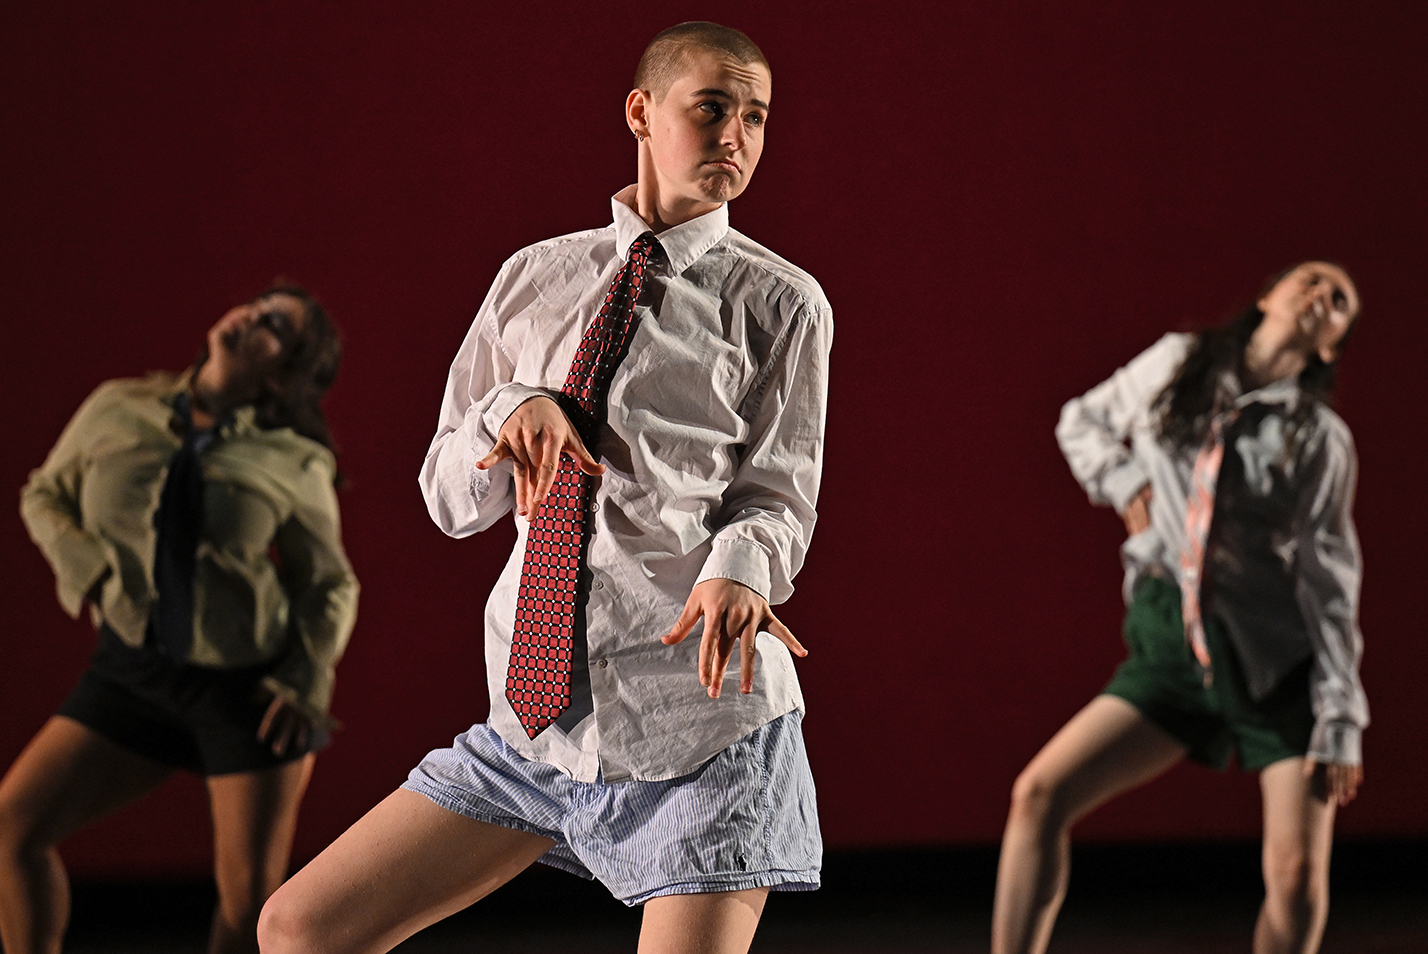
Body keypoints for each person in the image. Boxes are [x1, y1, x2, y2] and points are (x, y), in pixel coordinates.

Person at [258, 21, 830, 954]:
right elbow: (449, 499)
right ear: (642, 112)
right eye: (713, 108)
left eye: (757, 119)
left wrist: (744, 571)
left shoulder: (781, 301)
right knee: (300, 927)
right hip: (537, 727)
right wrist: (511, 411)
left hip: (698, 724)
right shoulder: (536, 276)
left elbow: (779, 495)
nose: (737, 137)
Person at [990, 261, 1367, 954]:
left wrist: (1342, 715)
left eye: (1339, 299)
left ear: (1331, 346)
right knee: (1037, 795)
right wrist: (1124, 477)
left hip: (1275, 666)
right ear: (1266, 297)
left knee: (1294, 874)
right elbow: (1083, 421)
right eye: (1309, 280)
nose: (1320, 295)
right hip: (1174, 646)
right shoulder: (1178, 362)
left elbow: (1329, 581)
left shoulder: (1318, 438)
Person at [0, 285, 359, 954]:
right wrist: (94, 570)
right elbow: (43, 493)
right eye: (256, 305)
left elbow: (329, 580)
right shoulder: (118, 407)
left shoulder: (293, 459)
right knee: (11, 830)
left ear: (287, 370)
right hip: (133, 668)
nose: (252, 315)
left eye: (276, 324)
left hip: (244, 689)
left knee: (248, 900)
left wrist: (304, 682)